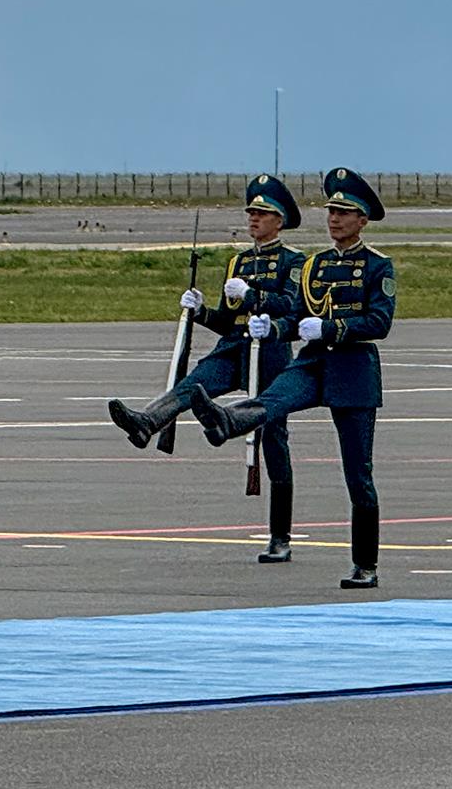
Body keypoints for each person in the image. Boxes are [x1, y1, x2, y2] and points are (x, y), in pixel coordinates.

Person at [190, 169, 396, 589]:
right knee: (274, 398)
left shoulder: (377, 266)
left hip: (354, 369)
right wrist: (275, 328)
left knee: (358, 473)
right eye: (332, 212)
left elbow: (380, 321)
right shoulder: (315, 266)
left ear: (362, 220)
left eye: (344, 212)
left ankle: (365, 565)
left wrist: (333, 328)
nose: (334, 219)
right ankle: (229, 421)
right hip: (314, 361)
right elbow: (299, 314)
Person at [107, 173, 306, 561]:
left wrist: (256, 296)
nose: (253, 219)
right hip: (233, 348)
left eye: (262, 214)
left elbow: (292, 308)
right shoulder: (239, 261)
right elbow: (226, 320)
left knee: (273, 437)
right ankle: (147, 422)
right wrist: (201, 312)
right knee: (191, 385)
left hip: (268, 350)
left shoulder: (293, 262)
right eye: (251, 212)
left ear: (279, 220)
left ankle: (280, 537)